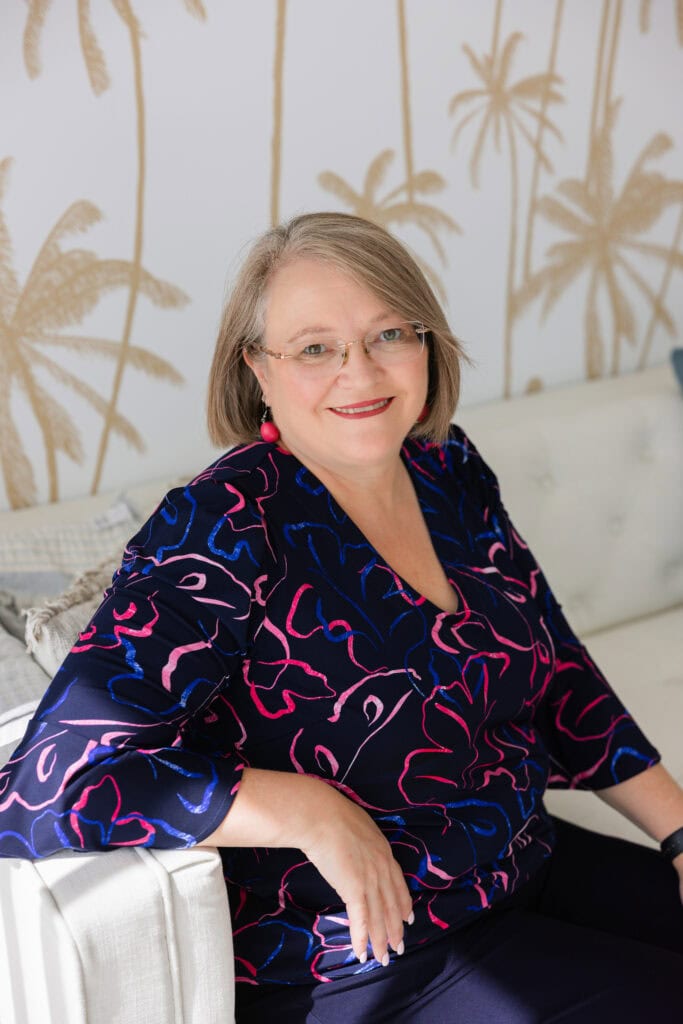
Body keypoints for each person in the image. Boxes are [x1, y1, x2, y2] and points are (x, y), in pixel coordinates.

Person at [1, 212, 682, 1023]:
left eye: (389, 332)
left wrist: (677, 833)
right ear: (255, 366)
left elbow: (558, 671)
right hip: (367, 955)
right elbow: (52, 782)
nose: (359, 372)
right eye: (315, 347)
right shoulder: (221, 526)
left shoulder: (447, 469)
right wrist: (310, 808)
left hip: (522, 857)